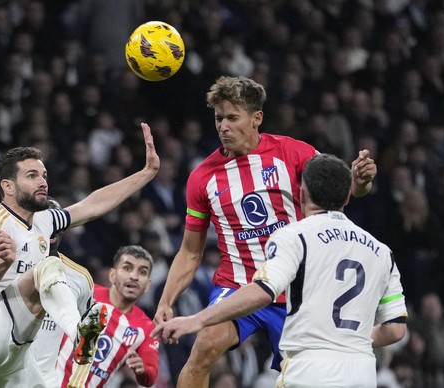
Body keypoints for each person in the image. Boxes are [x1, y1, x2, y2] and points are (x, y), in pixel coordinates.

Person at [153, 76, 377, 387]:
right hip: (236, 285)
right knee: (205, 346)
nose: (223, 126)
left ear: (257, 118)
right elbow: (191, 252)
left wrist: (360, 182)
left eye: (233, 117)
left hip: (296, 290)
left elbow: (340, 194)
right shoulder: (202, 178)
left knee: (305, 378)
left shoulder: (294, 153)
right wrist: (166, 301)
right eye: (219, 118)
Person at [153, 153, 408, 387]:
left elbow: (263, 292)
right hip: (361, 372)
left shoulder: (294, 236)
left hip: (309, 369)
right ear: (347, 197)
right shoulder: (381, 251)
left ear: (302, 195)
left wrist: (196, 320)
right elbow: (396, 329)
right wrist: (352, 338)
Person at [0, 123, 159, 386]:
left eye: (44, 175)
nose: (42, 182)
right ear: (8, 186)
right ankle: (79, 331)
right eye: (31, 176)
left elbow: (93, 205)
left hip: (13, 357)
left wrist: (146, 173)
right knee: (48, 267)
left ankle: (81, 335)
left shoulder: (43, 222)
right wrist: (1, 261)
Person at [0, 203, 159, 387]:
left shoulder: (80, 279)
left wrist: (75, 385)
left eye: (53, 229)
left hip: (39, 381)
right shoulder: (5, 265)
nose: (48, 235)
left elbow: (88, 337)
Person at [57, 245, 159, 387]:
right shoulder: (86, 292)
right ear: (112, 275)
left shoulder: (146, 328)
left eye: (142, 272)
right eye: (127, 268)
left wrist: (143, 370)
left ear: (147, 285)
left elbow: (151, 376)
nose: (134, 276)